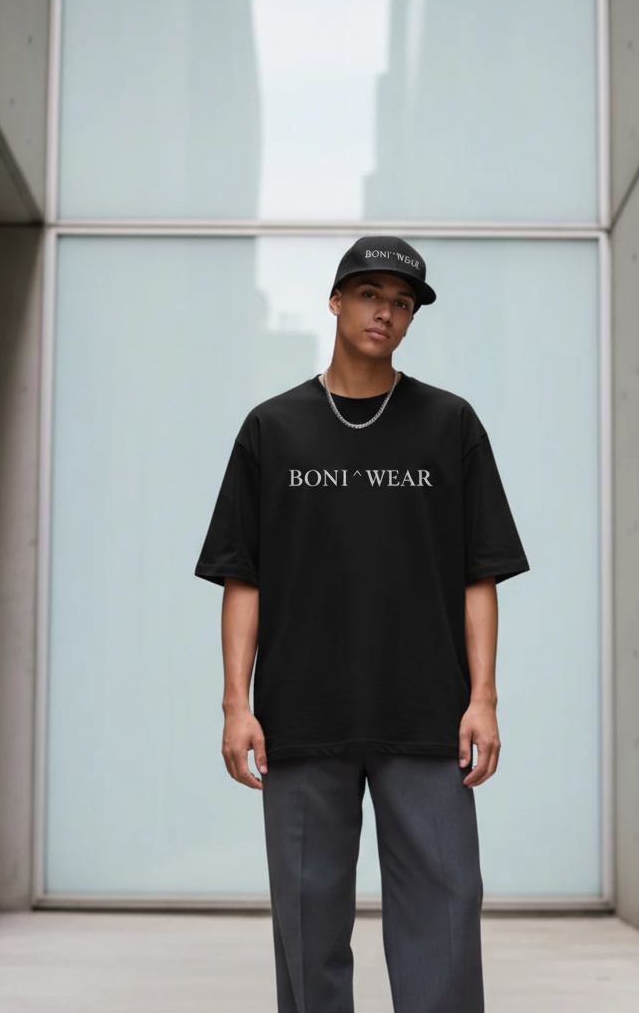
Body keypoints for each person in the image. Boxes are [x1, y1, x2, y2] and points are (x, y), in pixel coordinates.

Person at [195, 235, 529, 1013]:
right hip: (301, 717)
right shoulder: (272, 429)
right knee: (307, 929)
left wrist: (483, 699)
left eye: (403, 303)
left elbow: (480, 574)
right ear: (337, 301)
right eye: (372, 294)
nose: (387, 312)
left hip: (428, 716)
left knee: (447, 918)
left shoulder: (450, 424)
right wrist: (236, 704)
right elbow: (243, 577)